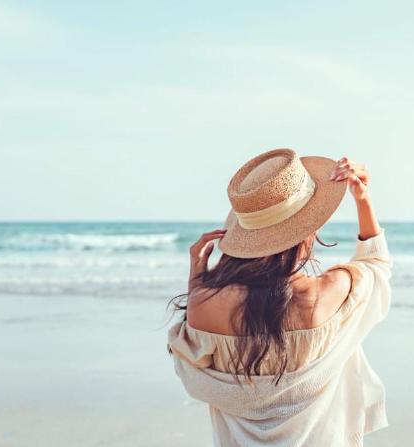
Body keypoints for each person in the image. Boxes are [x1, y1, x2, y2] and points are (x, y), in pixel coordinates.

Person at [167, 148, 392, 446]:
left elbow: (190, 360)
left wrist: (198, 279)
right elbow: (376, 266)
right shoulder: (324, 294)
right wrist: (362, 200)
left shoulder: (205, 305)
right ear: (307, 229)